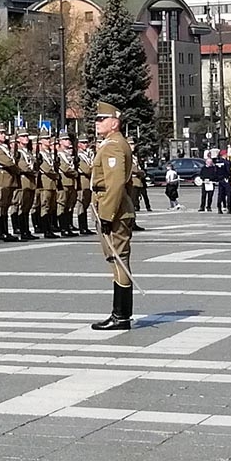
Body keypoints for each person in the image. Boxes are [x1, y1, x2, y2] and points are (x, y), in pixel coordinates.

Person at [89, 102, 135, 331]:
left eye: (101, 119)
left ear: (114, 123)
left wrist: (106, 216)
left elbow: (115, 183)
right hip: (112, 207)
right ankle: (121, 314)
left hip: (113, 209)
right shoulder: (113, 144)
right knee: (116, 259)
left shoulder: (114, 146)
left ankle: (121, 315)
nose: (97, 123)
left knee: (118, 260)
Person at [0, 124, 19, 242]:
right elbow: (8, 162)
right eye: (1, 133)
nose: (4, 135)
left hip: (8, 179)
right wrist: (17, 168)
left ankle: (3, 230)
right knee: (1, 206)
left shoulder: (4, 148)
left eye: (4, 133)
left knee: (5, 206)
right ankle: (0, 230)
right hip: (2, 179)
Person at [13, 129, 38, 240]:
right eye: (23, 136)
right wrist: (32, 171)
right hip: (24, 181)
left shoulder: (28, 152)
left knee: (27, 207)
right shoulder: (18, 152)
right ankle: (22, 230)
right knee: (22, 207)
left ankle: (26, 230)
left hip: (31, 181)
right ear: (18, 139)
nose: (26, 138)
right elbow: (23, 166)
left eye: (27, 136)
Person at [35, 133, 59, 239]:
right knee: (45, 206)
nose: (48, 140)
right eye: (46, 138)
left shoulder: (48, 154)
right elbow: (46, 168)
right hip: (45, 183)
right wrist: (56, 175)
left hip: (52, 183)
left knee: (50, 207)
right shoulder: (40, 154)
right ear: (40, 141)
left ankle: (49, 228)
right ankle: (45, 229)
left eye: (49, 138)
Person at [76, 137, 96, 235]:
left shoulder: (87, 155)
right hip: (82, 182)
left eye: (86, 142)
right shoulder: (79, 156)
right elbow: (87, 170)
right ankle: (82, 227)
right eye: (83, 142)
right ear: (78, 144)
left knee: (86, 205)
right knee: (81, 205)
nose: (85, 144)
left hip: (88, 183)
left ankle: (85, 226)